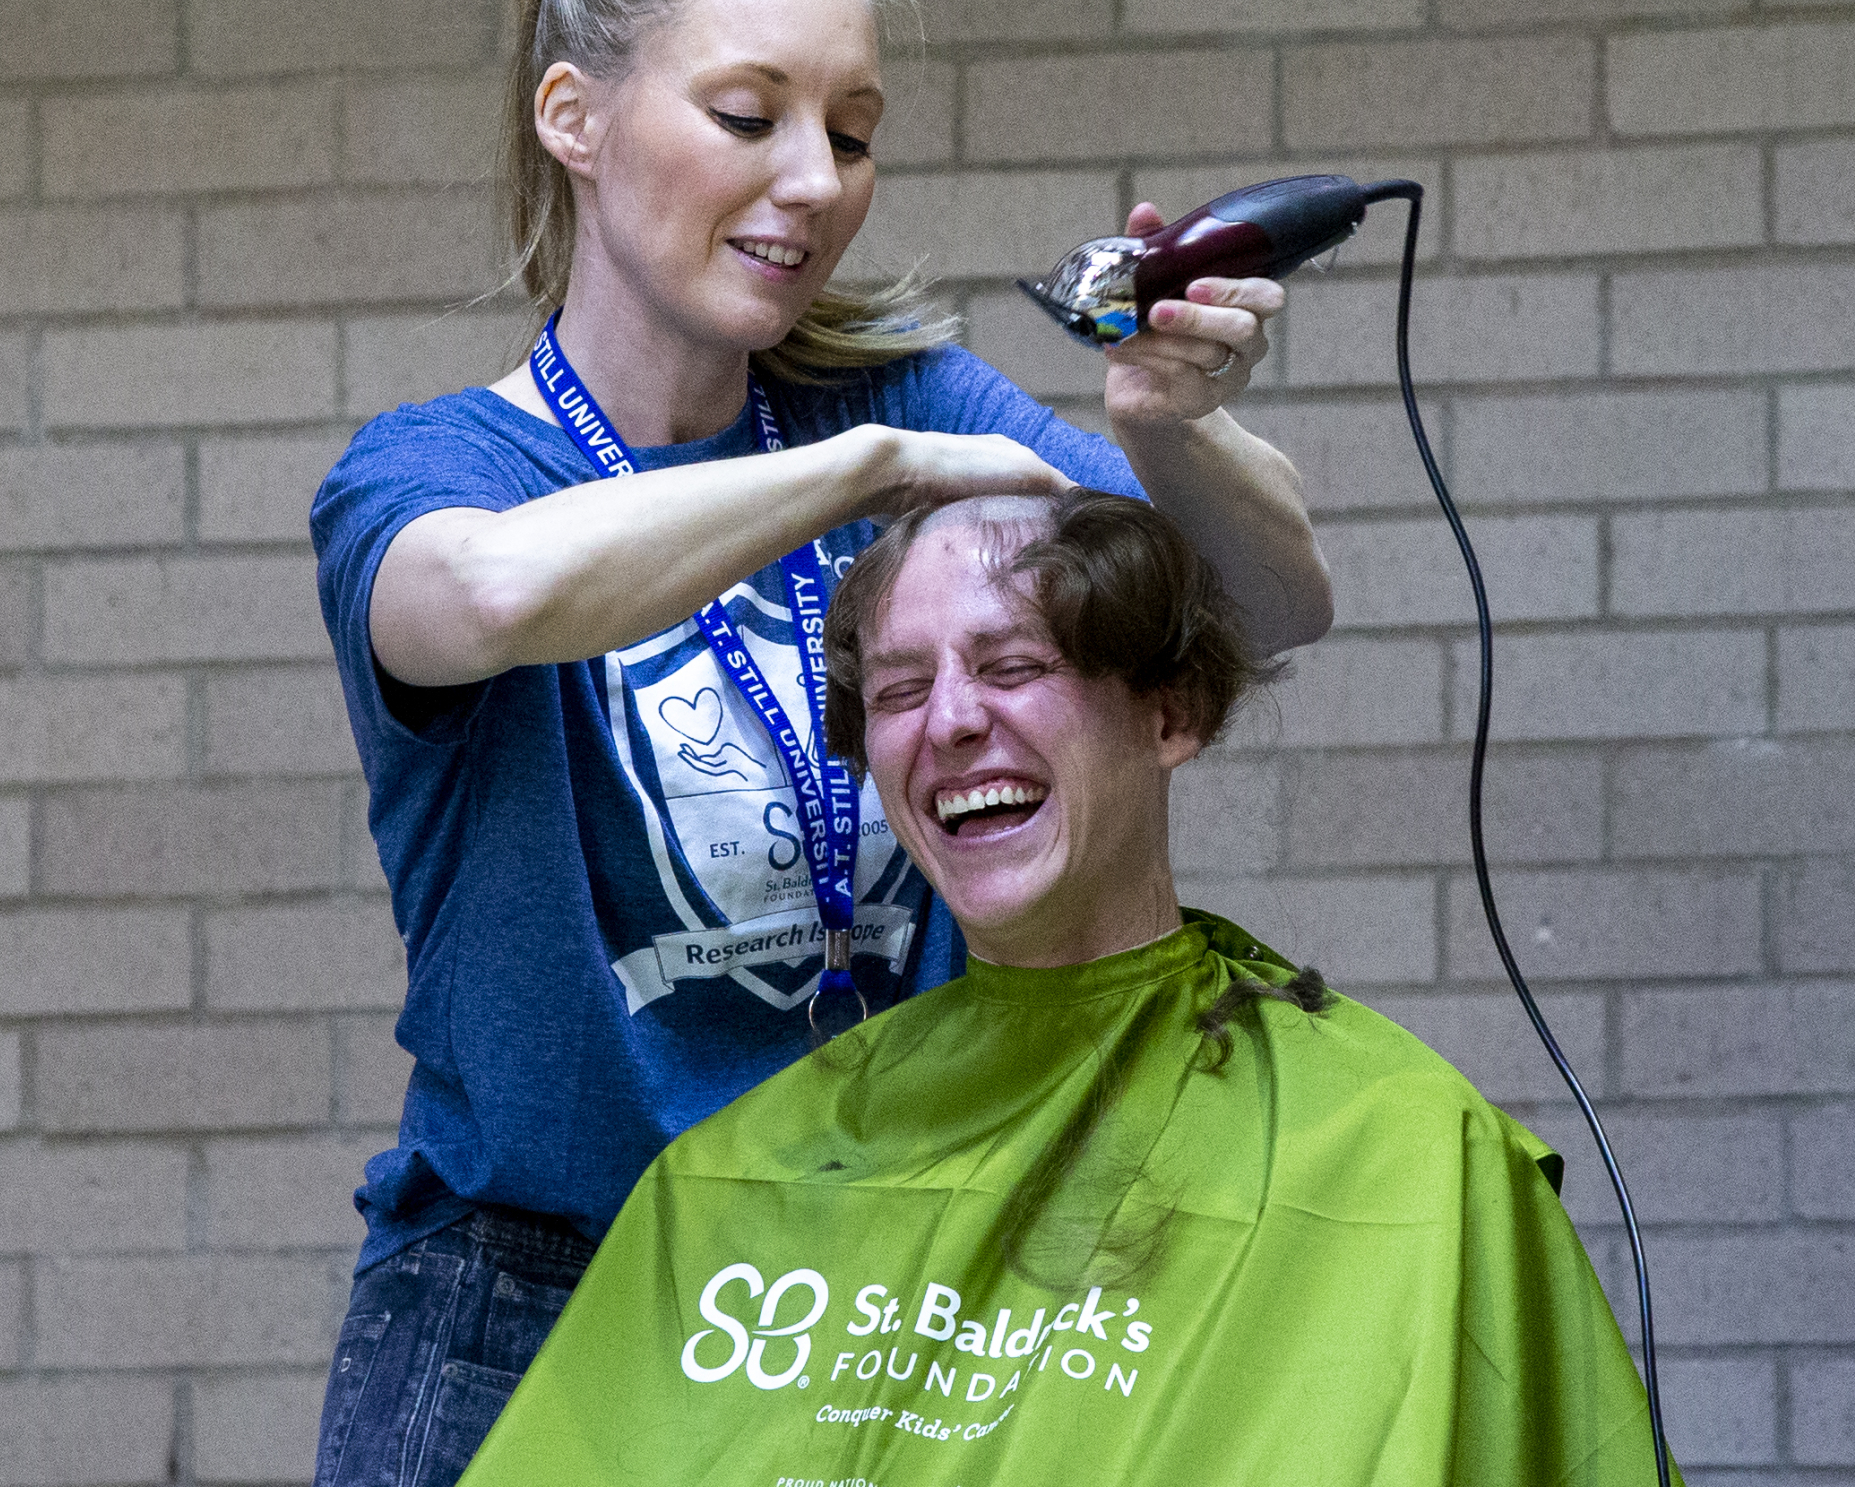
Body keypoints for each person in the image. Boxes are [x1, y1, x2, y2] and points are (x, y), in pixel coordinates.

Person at [303, 0, 1333, 1481]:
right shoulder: (429, 470)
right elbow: (486, 595)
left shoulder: (905, 395)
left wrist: (1165, 428)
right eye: (746, 114)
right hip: (529, 1301)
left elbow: (1267, 606)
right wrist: (869, 467)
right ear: (575, 114)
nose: (813, 183)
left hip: (862, 1279)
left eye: (849, 133)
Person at [454, 492, 1673, 1487]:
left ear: (1171, 712)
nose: (950, 722)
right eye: (895, 691)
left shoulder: (1403, 1154)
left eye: (1014, 664)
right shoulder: (740, 1174)